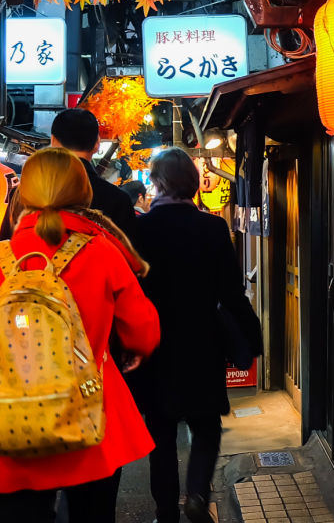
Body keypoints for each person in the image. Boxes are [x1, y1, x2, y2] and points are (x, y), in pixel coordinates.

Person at [0, 148, 160, 523]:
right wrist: (137, 351)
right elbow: (142, 325)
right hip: (90, 420)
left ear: (23, 194)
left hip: (9, 428)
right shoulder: (101, 250)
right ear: (82, 192)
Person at [135, 147, 255, 523]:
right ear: (192, 183)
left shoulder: (139, 230)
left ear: (156, 183)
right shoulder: (213, 228)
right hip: (202, 341)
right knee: (206, 425)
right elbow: (231, 292)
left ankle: (166, 512)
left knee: (161, 436)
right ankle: (198, 494)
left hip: (154, 345)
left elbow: (131, 292)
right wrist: (249, 334)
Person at [51, 108, 138, 244]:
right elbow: (131, 257)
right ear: (97, 143)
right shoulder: (118, 200)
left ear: (53, 141)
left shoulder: (30, 195)